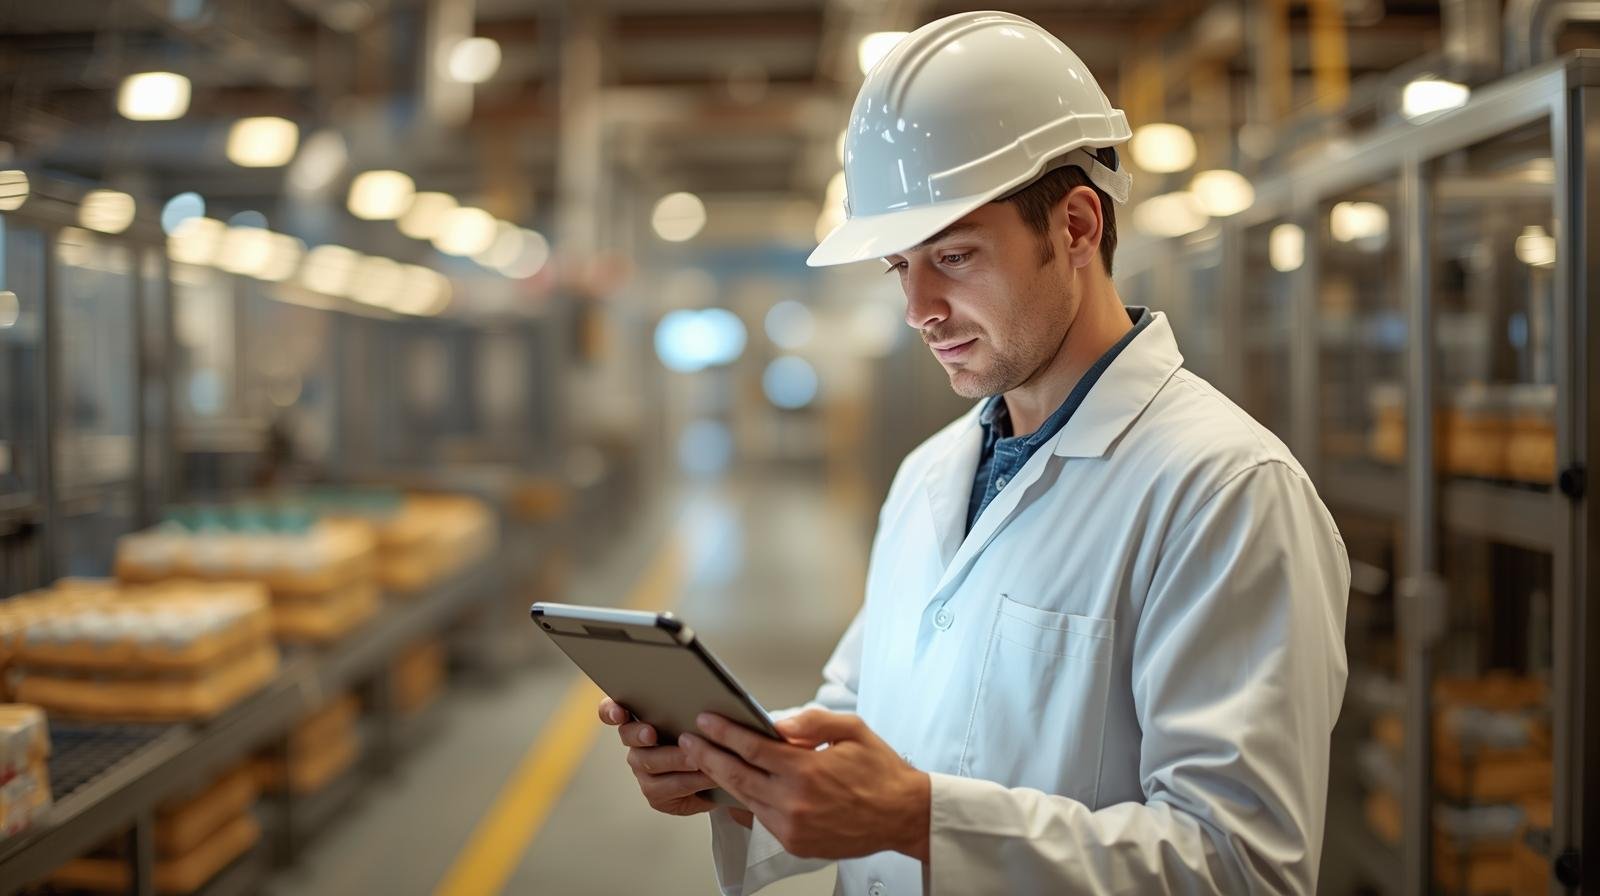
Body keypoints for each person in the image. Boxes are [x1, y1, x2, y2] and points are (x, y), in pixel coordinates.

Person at [600, 10, 1349, 894]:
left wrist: (920, 821)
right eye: (899, 267)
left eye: (953, 257)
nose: (918, 308)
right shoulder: (929, 475)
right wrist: (732, 775)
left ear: (1076, 228)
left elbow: (1242, 866)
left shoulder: (1225, 492)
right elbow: (867, 720)